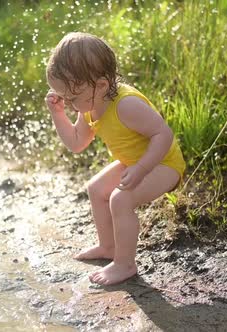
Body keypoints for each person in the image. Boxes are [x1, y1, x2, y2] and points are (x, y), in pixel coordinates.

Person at [44, 32, 186, 286]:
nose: (70, 104)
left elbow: (163, 134)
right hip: (135, 161)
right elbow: (77, 143)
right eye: (64, 98)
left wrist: (142, 168)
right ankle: (108, 246)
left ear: (100, 85)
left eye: (72, 98)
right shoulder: (90, 105)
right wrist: (58, 114)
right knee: (96, 189)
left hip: (163, 164)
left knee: (120, 199)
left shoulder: (126, 105)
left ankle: (125, 264)